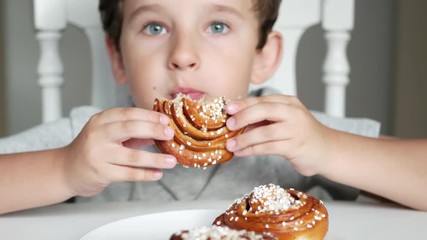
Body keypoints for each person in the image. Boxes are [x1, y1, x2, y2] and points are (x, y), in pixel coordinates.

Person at [0, 0, 425, 215]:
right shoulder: (93, 138)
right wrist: (63, 169)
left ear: (263, 57)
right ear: (117, 58)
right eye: (155, 27)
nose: (184, 54)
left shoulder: (289, 133)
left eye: (217, 26)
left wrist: (329, 150)